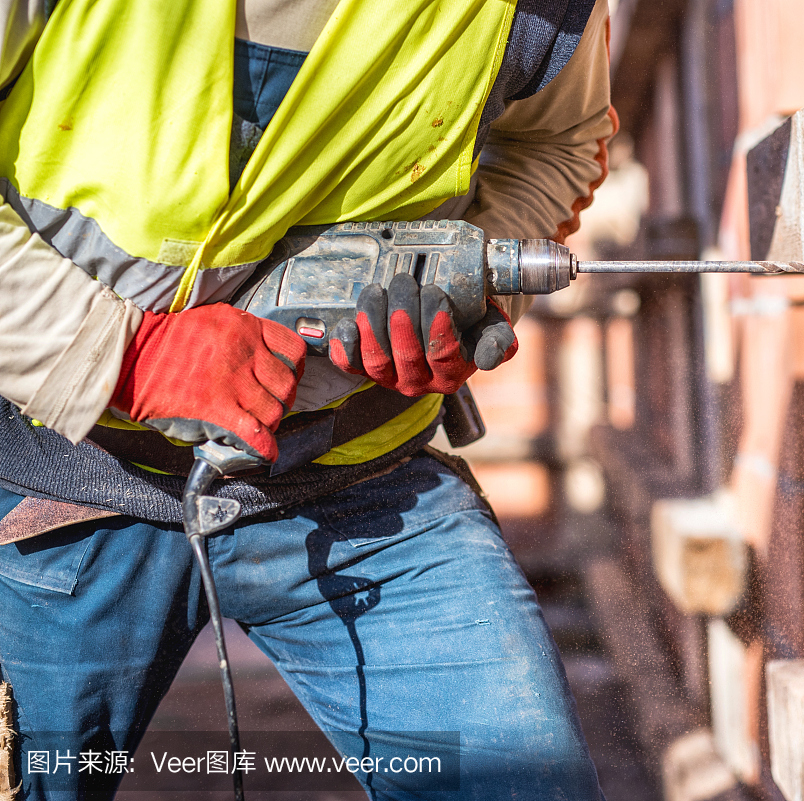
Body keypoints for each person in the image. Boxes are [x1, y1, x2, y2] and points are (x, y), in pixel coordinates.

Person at [0, 0, 617, 797]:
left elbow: (559, 142)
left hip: (359, 481)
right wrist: (122, 353)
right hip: (62, 482)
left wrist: (473, 286)